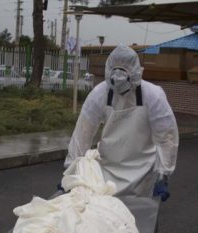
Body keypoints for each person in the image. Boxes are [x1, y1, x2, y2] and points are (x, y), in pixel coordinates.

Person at [64, 45, 179, 201]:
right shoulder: (99, 94)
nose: (119, 79)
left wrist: (163, 174)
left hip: (143, 173)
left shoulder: (153, 95)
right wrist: (71, 171)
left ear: (135, 72)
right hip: (108, 171)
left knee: (140, 213)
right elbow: (82, 134)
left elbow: (166, 137)